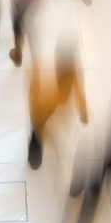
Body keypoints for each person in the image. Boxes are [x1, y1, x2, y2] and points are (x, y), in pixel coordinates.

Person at [27, 38, 88, 169]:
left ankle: (37, 148)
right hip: (43, 112)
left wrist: (83, 110)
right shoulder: (46, 70)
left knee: (46, 133)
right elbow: (34, 94)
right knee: (39, 132)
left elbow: (78, 88)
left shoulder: (71, 71)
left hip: (53, 110)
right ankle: (35, 151)